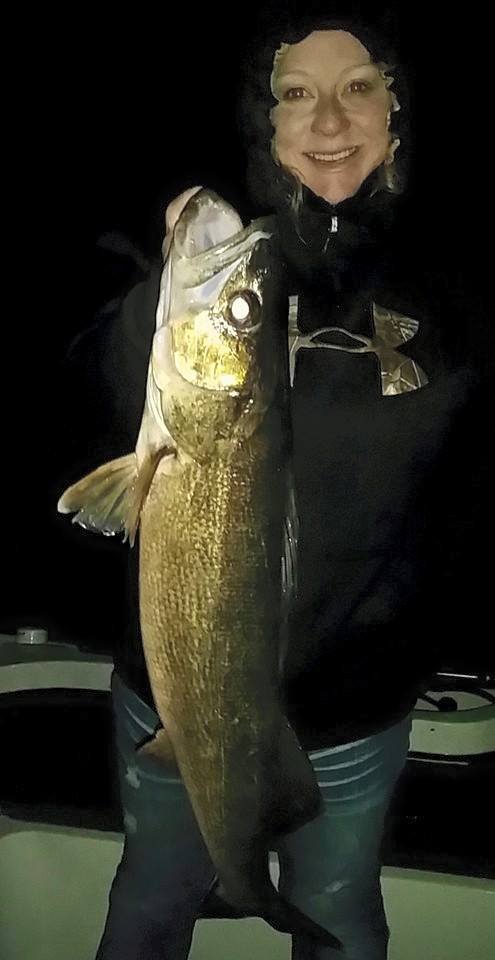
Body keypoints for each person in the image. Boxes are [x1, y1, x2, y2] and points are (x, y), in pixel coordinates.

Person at [62, 8, 479, 960]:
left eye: (358, 87)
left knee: (339, 914)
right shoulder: (227, 262)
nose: (329, 119)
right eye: (296, 94)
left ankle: (255, 890)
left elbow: (466, 502)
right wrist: (160, 297)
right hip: (176, 703)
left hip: (354, 713)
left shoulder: (456, 293)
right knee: (151, 896)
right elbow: (89, 388)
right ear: (267, 121)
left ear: (397, 113)